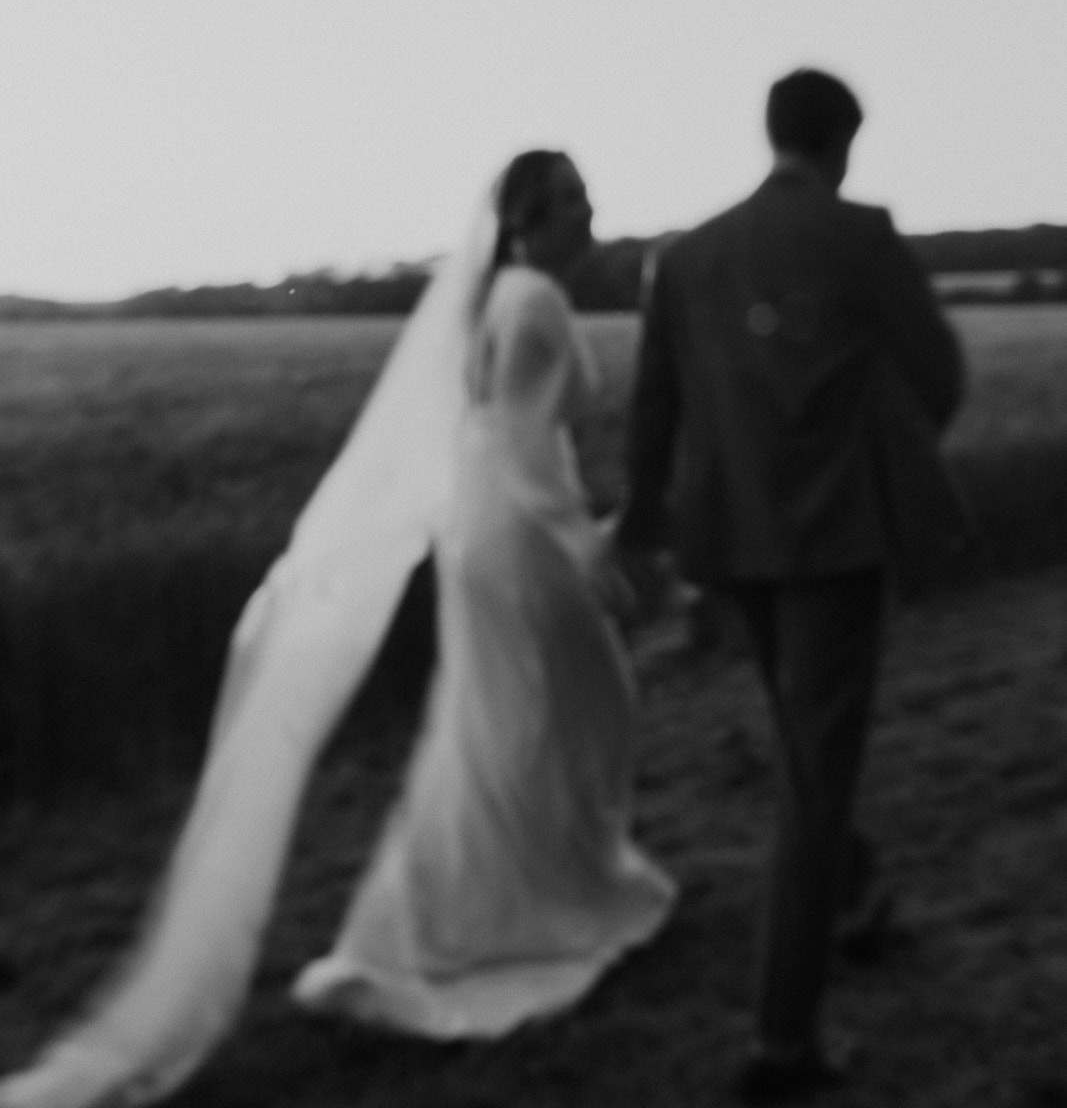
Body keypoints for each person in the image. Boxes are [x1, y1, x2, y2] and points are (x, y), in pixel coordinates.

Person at [0, 150, 673, 1108]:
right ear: (524, 220)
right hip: (520, 528)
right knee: (573, 706)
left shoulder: (502, 298)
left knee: (514, 715)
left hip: (482, 526)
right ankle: (527, 906)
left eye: (586, 197)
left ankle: (509, 896)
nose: (588, 212)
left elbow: (495, 436)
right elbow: (522, 443)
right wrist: (584, 540)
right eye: (567, 201)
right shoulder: (533, 302)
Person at [616, 69, 965, 1102]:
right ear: (842, 141)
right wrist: (879, 455)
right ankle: (779, 1043)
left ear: (770, 133)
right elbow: (937, 371)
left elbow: (652, 406)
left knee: (799, 737)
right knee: (815, 778)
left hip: (731, 538)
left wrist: (650, 513)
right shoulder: (861, 235)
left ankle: (853, 901)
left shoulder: (683, 258)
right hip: (836, 542)